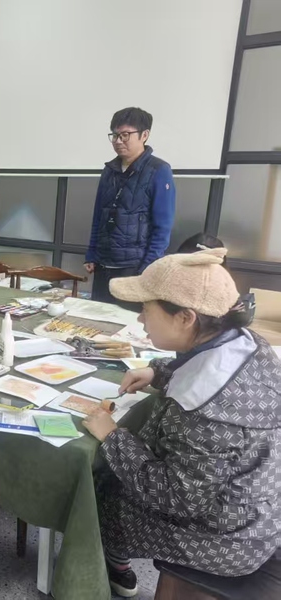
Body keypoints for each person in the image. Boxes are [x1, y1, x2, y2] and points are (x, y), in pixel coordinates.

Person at [81, 248, 281, 598]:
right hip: (252, 506)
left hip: (227, 539)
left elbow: (176, 498)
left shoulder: (209, 414)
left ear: (186, 318)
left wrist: (113, 437)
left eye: (146, 309)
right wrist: (157, 372)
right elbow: (203, 363)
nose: (141, 319)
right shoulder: (245, 341)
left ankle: (97, 568)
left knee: (95, 492)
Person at [84, 107, 176, 307]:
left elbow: (163, 228)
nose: (118, 141)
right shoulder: (109, 171)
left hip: (133, 268)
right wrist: (91, 253)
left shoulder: (159, 171)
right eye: (115, 135)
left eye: (125, 135)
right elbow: (98, 216)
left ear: (144, 135)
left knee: (127, 321)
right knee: (97, 316)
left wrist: (147, 268)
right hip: (103, 263)